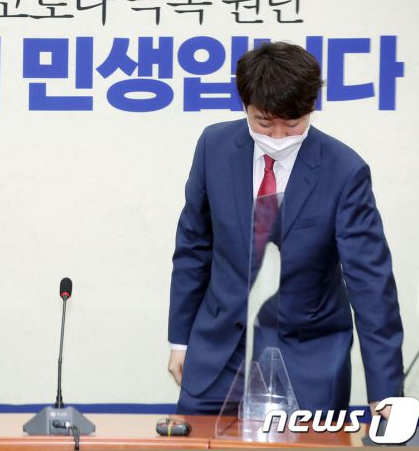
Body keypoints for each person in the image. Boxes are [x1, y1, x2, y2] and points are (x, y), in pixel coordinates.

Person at [167, 41, 403, 416]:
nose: (278, 137)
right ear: (245, 106)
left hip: (307, 359)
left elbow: (371, 283)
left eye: (292, 124)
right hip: (217, 356)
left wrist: (386, 389)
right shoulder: (214, 147)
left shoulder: (345, 171)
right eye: (264, 123)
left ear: (311, 108)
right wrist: (180, 340)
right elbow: (194, 246)